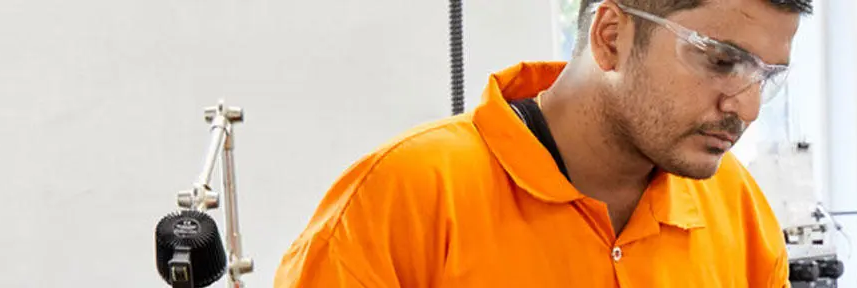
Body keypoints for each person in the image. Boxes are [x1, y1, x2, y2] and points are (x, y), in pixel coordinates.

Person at [274, 0, 811, 286]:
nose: (745, 106)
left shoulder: (735, 206)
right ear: (611, 37)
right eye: (721, 60)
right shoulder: (402, 197)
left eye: (766, 75)